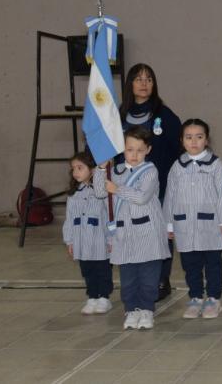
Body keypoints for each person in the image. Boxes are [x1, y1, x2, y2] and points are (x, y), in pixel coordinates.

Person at [94, 126, 171, 330]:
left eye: (139, 150)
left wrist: (117, 189)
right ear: (123, 149)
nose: (134, 155)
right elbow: (101, 192)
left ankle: (146, 310)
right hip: (123, 235)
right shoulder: (116, 171)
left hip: (147, 233)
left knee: (148, 276)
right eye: (129, 149)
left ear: (148, 150)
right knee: (128, 278)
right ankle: (131, 309)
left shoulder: (150, 171)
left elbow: (141, 197)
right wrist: (101, 169)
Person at [118, 63, 181, 301]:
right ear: (130, 84)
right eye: (138, 79)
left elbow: (179, 150)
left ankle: (160, 280)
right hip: (126, 187)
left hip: (158, 188)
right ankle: (136, 281)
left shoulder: (164, 115)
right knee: (131, 232)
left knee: (160, 234)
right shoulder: (118, 115)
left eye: (149, 79)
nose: (144, 84)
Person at [163, 119, 222, 319]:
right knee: (190, 264)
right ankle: (195, 297)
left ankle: (213, 299)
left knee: (213, 263)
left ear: (206, 140)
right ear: (182, 140)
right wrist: (168, 223)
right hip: (184, 225)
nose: (194, 141)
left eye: (199, 137)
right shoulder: (177, 167)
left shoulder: (216, 165)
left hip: (211, 225)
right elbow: (170, 195)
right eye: (188, 137)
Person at [63, 151, 112, 315]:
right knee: (87, 271)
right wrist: (69, 240)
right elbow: (69, 218)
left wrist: (111, 239)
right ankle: (92, 296)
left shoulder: (101, 191)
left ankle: (104, 297)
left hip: (99, 239)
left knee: (102, 270)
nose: (75, 172)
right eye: (73, 169)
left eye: (80, 168)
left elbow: (109, 216)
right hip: (81, 241)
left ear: (91, 169)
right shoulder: (73, 194)